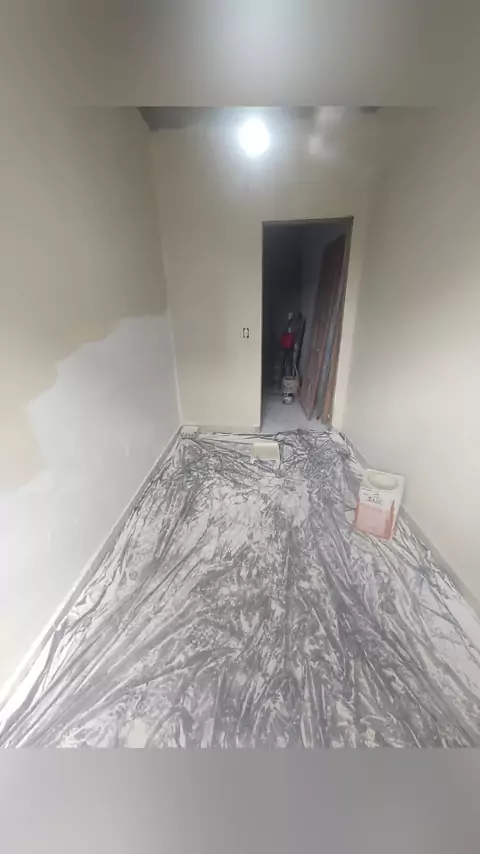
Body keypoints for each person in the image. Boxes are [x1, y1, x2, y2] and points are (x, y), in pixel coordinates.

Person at [280, 311, 295, 378]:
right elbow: (284, 335)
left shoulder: (292, 325)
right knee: (285, 362)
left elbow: (292, 336)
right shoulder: (286, 325)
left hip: (289, 346)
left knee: (289, 362)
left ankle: (289, 375)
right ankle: (284, 375)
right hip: (286, 346)